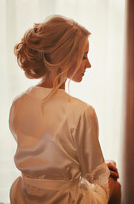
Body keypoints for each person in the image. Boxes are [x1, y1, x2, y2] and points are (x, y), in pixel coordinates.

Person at [9, 15, 121, 203]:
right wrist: (106, 167)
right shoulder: (82, 111)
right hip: (66, 199)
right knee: (114, 183)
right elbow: (94, 174)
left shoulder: (18, 103)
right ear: (64, 58)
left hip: (25, 196)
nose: (89, 64)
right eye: (84, 56)